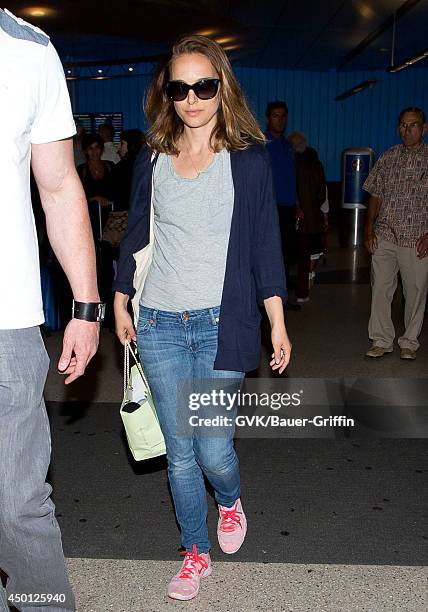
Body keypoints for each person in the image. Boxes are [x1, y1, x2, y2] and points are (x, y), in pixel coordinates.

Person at [113, 35, 292, 602]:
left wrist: (278, 321)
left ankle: (232, 500)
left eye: (204, 86)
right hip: (161, 322)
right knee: (181, 451)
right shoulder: (153, 158)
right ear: (168, 92)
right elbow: (136, 232)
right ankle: (194, 552)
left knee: (214, 450)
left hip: (222, 322)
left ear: (222, 88)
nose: (192, 98)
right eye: (180, 87)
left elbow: (265, 248)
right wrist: (119, 297)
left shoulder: (250, 163)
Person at [0, 8, 102, 612]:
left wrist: (85, 306)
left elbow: (59, 185)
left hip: (6, 323)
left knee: (15, 506)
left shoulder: (29, 50)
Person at [363, 106, 428, 360]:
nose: (406, 130)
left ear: (423, 128)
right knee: (380, 288)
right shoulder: (388, 157)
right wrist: (369, 229)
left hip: (417, 238)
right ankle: (381, 340)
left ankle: (409, 342)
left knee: (415, 292)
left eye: (412, 125)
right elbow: (375, 195)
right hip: (385, 235)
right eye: (402, 125)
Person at [264, 101, 300, 310]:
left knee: (286, 254)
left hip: (287, 208)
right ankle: (267, 299)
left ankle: (283, 299)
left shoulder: (287, 145)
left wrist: (297, 204)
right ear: (269, 118)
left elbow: (292, 177)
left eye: (283, 116)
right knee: (270, 255)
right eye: (276, 116)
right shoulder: (261, 144)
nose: (280, 120)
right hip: (269, 208)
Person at [288, 132, 326, 302]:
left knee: (288, 255)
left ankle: (287, 289)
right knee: (308, 256)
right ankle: (303, 292)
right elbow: (322, 195)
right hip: (314, 218)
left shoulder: (291, 164)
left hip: (295, 216)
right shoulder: (317, 164)